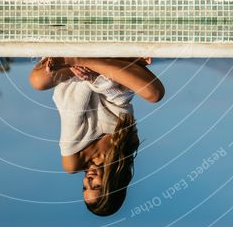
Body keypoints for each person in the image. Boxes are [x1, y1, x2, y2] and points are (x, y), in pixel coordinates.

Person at [29, 57, 165, 216]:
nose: (88, 181)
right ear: (111, 184)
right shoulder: (123, 147)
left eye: (85, 188)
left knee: (38, 81)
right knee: (154, 94)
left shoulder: (73, 162)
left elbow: (72, 109)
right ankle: (97, 59)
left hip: (76, 78)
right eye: (96, 186)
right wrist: (95, 79)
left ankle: (120, 59)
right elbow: (120, 101)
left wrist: (86, 77)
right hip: (108, 78)